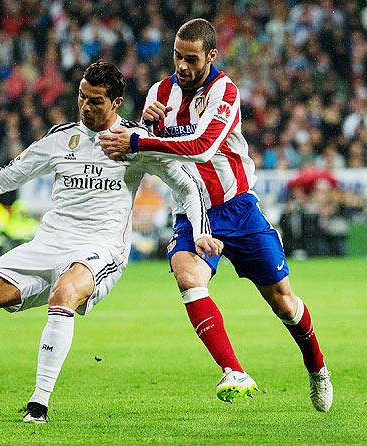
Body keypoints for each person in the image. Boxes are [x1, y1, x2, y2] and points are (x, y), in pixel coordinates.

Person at [0, 61, 222, 424]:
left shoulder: (136, 142)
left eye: (96, 101)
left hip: (99, 249)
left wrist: (199, 231)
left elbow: (187, 185)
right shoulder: (61, 138)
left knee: (63, 295)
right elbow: (11, 174)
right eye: (82, 97)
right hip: (49, 243)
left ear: (116, 102)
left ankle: (39, 404)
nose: (85, 106)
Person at [99, 19, 333, 412]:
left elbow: (203, 146)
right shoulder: (160, 91)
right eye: (177, 56)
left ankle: (317, 368)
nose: (183, 66)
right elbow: (154, 151)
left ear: (211, 55)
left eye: (191, 59)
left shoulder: (225, 91)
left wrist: (139, 136)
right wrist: (147, 124)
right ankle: (233, 371)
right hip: (191, 209)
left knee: (285, 305)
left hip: (238, 208)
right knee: (187, 274)